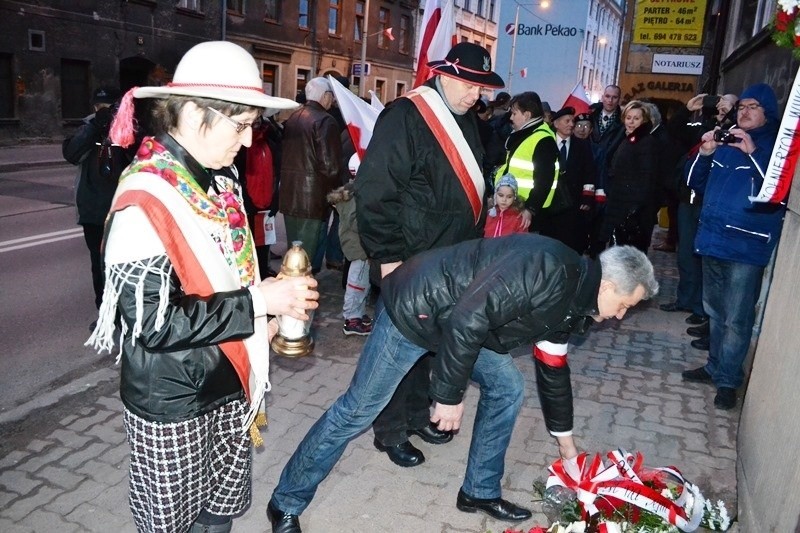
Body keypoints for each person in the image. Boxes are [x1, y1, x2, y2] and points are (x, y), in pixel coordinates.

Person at [266, 235, 659, 532]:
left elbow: (553, 369)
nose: (621, 316)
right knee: (357, 411)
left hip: (458, 324)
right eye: (625, 305)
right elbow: (468, 317)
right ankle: (286, 500)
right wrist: (448, 396)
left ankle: (479, 491)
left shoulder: (575, 302)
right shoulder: (549, 269)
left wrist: (567, 445)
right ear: (607, 286)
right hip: (416, 310)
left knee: (508, 388)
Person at [85, 41, 319, 533]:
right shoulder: (142, 199)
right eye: (240, 124)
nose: (251, 139)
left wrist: (268, 316)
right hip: (174, 403)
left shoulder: (219, 181)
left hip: (229, 382)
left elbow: (227, 279)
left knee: (218, 516)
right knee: (175, 525)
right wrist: (259, 301)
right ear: (193, 114)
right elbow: (154, 325)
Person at [351, 42, 504, 471]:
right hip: (409, 261)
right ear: (447, 75)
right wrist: (387, 258)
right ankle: (391, 431)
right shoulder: (405, 115)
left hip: (450, 262)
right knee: (396, 353)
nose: (478, 95)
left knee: (432, 348)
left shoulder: (467, 119)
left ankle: (418, 416)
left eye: (483, 87)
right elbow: (375, 192)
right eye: (472, 85)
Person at [680, 83, 784, 410]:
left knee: (737, 319)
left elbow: (775, 191)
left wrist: (753, 153)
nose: (744, 111)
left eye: (753, 106)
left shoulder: (774, 148)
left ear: (767, 113)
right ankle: (714, 366)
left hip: (746, 247)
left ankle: (728, 380)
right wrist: (705, 153)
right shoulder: (728, 142)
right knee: (714, 311)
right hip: (713, 240)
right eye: (742, 107)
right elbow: (693, 183)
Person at [660, 92, 738, 333]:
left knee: (703, 257)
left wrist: (730, 115)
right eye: (721, 102)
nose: (721, 107)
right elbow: (674, 131)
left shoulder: (734, 132)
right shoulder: (703, 126)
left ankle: (700, 308)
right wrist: (687, 108)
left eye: (729, 104)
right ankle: (684, 299)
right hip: (688, 201)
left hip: (710, 203)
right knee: (685, 253)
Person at [62, 86, 130, 314]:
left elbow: (137, 156)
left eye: (107, 107)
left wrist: (118, 126)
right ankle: (105, 313)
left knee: (124, 264)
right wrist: (94, 127)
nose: (102, 111)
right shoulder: (87, 128)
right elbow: (72, 154)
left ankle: (127, 312)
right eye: (98, 107)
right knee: (98, 266)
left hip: (123, 210)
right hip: (93, 211)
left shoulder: (128, 129)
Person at [279, 77, 342, 263]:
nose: (332, 101)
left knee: (294, 252)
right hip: (312, 198)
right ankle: (301, 290)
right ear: (325, 96)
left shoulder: (293, 117)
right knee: (305, 255)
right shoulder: (325, 121)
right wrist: (337, 194)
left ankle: (294, 287)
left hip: (290, 195)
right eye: (331, 96)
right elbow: (330, 166)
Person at [600, 100, 659, 254]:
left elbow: (647, 177)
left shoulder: (645, 142)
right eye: (628, 117)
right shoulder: (627, 138)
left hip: (632, 212)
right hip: (620, 205)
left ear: (644, 120)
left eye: (636, 118)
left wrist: (634, 210)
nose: (631, 122)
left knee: (628, 257)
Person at [495, 91, 559, 231]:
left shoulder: (543, 140)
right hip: (515, 205)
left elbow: (544, 179)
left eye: (514, 113)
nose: (511, 117)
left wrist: (531, 209)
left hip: (528, 212)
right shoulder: (526, 135)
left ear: (527, 115)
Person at [538, 106, 598, 253]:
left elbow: (589, 173)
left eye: (572, 121)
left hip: (573, 204)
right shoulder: (546, 143)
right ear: (556, 123)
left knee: (571, 244)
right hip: (549, 203)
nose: (571, 124)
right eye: (567, 121)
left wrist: (587, 199)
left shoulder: (582, 146)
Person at [327, 153, 372, 336]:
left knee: (362, 282)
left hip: (358, 246)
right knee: (357, 282)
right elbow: (358, 222)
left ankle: (358, 313)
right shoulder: (356, 196)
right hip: (359, 247)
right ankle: (352, 318)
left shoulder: (352, 191)